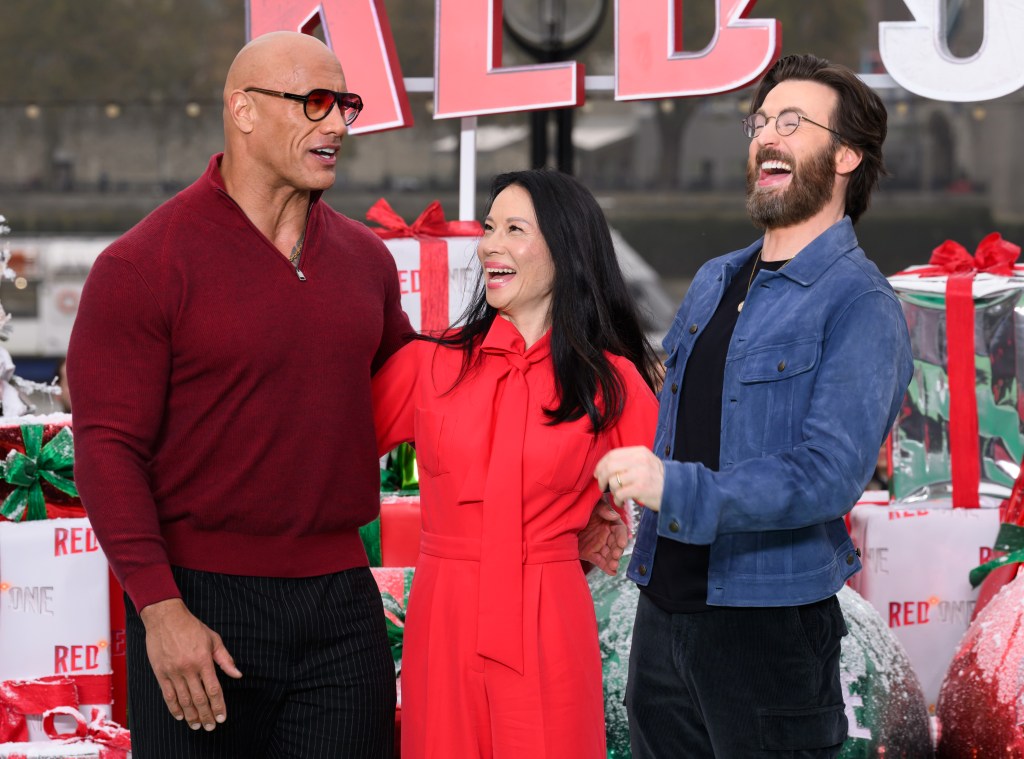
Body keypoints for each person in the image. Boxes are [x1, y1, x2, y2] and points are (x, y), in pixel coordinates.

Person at [66, 31, 412, 758]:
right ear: (244, 110)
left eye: (345, 105)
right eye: (316, 104)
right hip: (199, 602)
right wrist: (161, 610)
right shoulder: (141, 264)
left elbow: (429, 396)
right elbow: (108, 449)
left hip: (343, 603)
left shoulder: (367, 263)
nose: (339, 126)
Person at [595, 54, 914, 758]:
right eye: (761, 120)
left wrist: (672, 485)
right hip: (663, 608)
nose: (767, 135)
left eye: (792, 122)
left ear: (845, 156)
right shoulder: (714, 278)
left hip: (767, 625)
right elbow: (678, 418)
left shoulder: (861, 303)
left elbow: (827, 473)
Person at [372, 168, 661, 758]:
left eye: (513, 229)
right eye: (488, 227)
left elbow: (687, 491)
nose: (488, 245)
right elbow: (323, 452)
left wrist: (603, 517)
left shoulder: (613, 382)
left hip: (549, 616)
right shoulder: (429, 364)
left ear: (564, 248)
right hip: (443, 616)